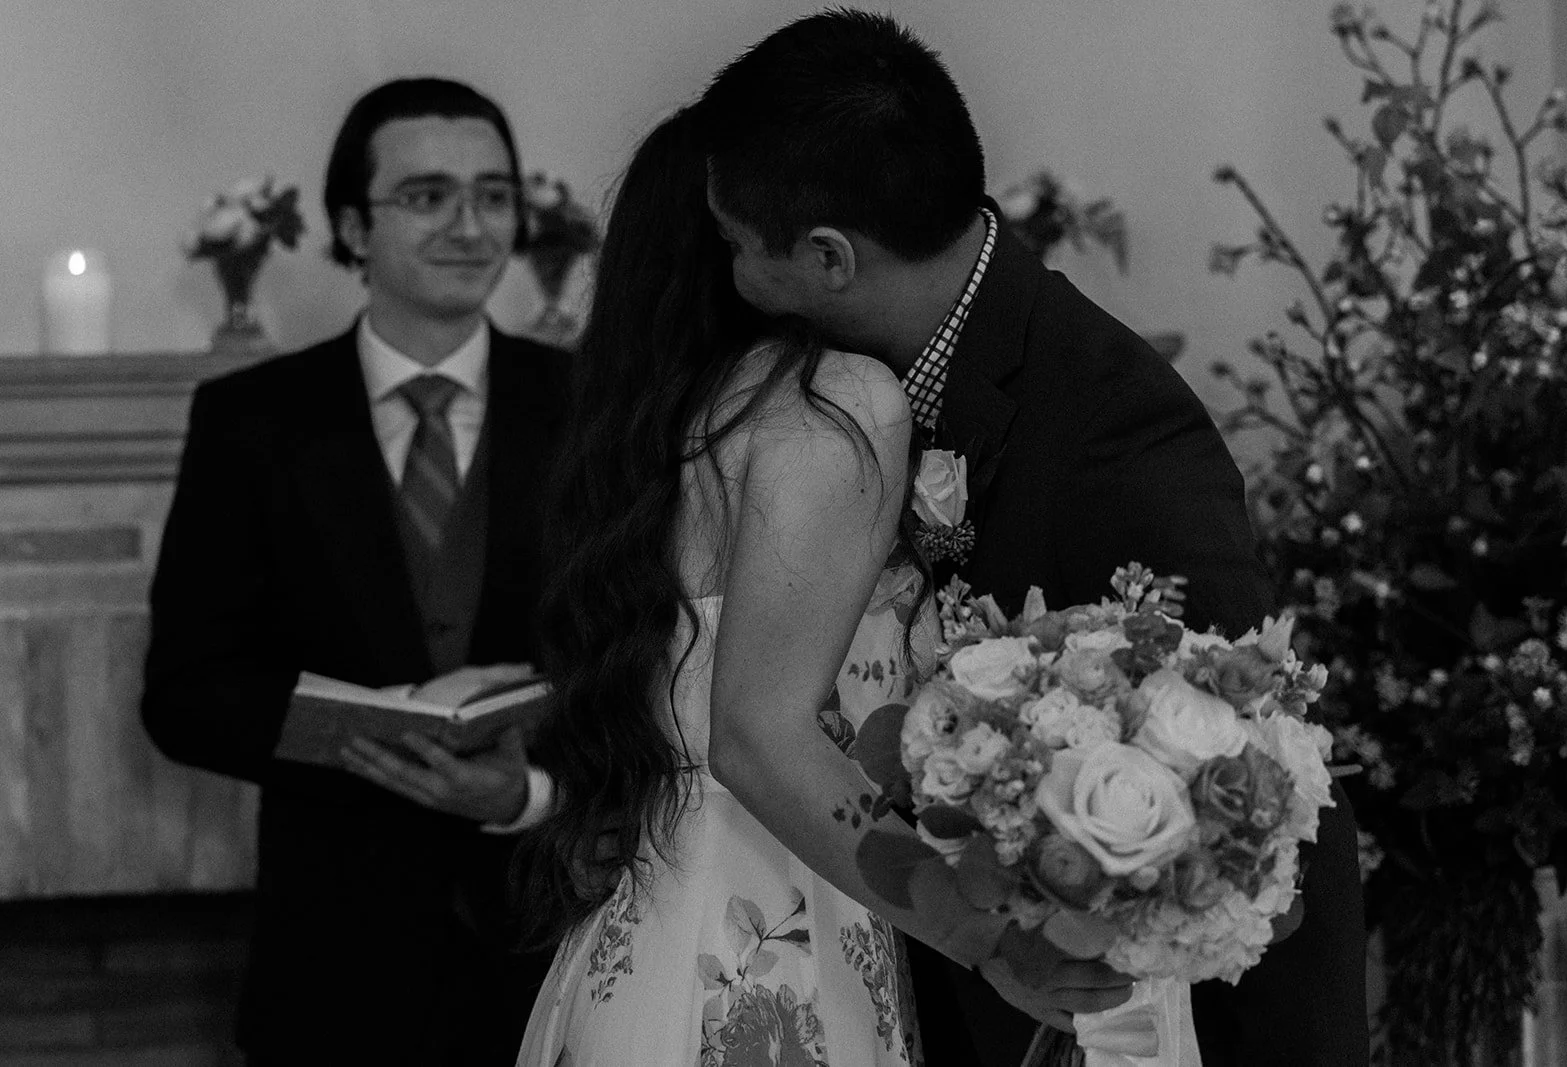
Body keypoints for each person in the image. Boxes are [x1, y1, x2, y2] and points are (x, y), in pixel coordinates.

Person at [695, 10, 1369, 1067]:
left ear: (827, 257)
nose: (727, 277)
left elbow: (1259, 798)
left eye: (737, 246)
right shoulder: (870, 378)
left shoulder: (1116, 438)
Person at [511, 107, 1128, 1066]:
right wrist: (989, 939)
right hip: (767, 942)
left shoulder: (662, 427)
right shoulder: (831, 401)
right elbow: (762, 734)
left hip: (647, 930)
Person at [141, 77, 568, 1065]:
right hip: (335, 945)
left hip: (551, 937)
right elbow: (186, 690)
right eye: (426, 195)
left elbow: (643, 661)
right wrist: (363, 731)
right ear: (350, 225)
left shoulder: (591, 409)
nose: (469, 224)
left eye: (494, 195)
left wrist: (526, 790)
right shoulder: (253, 421)